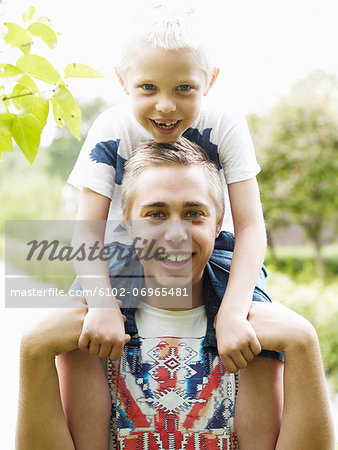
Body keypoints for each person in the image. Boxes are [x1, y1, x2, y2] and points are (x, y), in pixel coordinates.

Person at [16, 139, 335, 449]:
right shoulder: (90, 333)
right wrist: (33, 351)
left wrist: (304, 343)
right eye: (155, 214)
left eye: (194, 213)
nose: (175, 234)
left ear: (218, 222)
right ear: (127, 223)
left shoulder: (255, 332)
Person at [67, 2, 267, 373]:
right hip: (123, 250)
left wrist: (233, 313)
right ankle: (91, 428)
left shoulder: (225, 125)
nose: (165, 105)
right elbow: (87, 230)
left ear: (210, 80)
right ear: (123, 80)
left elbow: (251, 226)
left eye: (184, 88)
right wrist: (102, 304)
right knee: (78, 335)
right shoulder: (111, 129)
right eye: (148, 87)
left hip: (211, 250)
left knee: (262, 332)